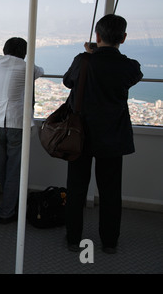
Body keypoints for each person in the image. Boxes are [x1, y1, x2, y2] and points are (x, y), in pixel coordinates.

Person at [63, 14, 143, 253]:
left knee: (76, 188)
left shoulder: (83, 61)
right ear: (124, 38)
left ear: (97, 36)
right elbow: (134, 75)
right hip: (112, 137)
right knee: (110, 191)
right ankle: (109, 242)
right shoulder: (129, 66)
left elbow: (68, 82)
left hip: (80, 135)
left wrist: (90, 54)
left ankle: (73, 239)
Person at [0, 37, 44, 224]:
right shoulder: (28, 67)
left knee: (2, 166)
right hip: (16, 122)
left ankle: (9, 203)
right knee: (14, 169)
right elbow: (40, 71)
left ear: (4, 49)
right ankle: (7, 211)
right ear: (25, 53)